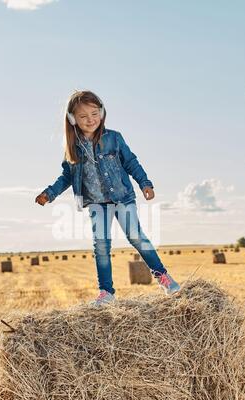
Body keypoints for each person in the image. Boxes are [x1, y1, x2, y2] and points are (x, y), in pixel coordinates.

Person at [35, 90, 180, 306]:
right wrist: (50, 193)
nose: (90, 120)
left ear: (102, 113)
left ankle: (164, 278)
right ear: (73, 119)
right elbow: (67, 176)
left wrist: (145, 183)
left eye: (94, 114)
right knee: (101, 246)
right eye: (83, 116)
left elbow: (131, 162)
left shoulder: (114, 138)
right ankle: (106, 293)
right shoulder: (73, 148)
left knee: (136, 236)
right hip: (96, 202)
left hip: (122, 197)